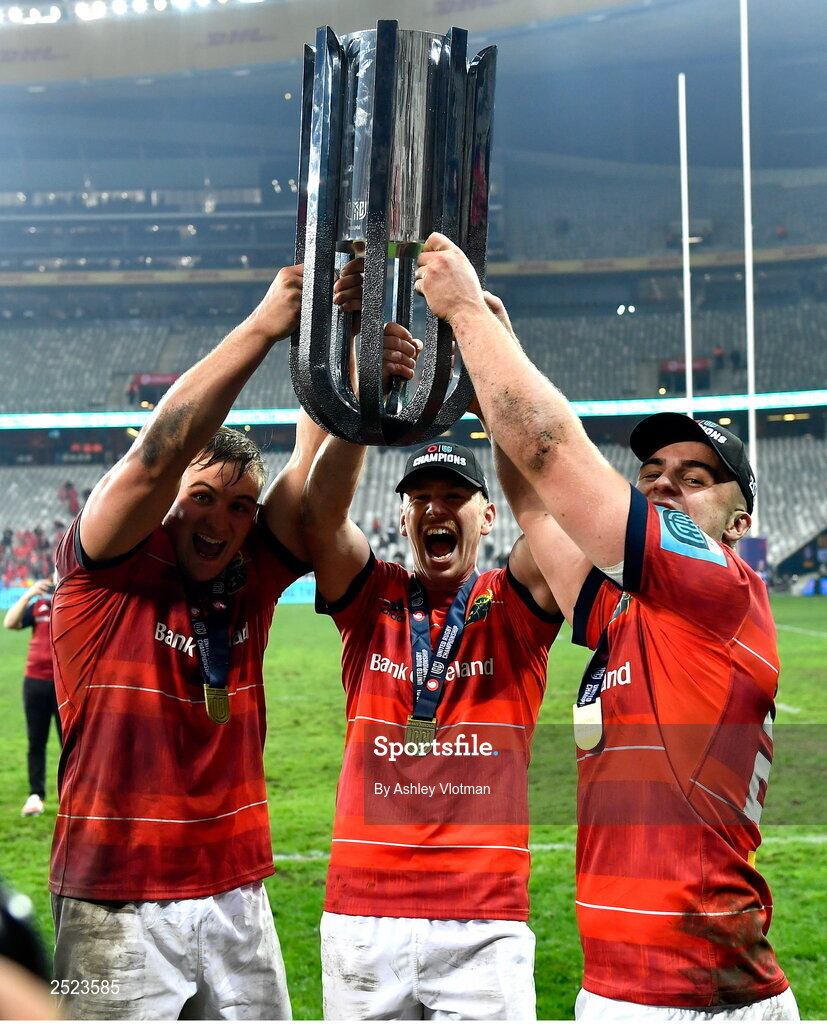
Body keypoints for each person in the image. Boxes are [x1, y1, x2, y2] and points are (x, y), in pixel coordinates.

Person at [414, 232, 798, 1020]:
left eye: (695, 479)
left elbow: (549, 449)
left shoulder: (716, 584)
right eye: (650, 473)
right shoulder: (633, 611)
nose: (662, 486)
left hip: (696, 993)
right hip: (630, 985)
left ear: (738, 523)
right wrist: (498, 346)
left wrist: (461, 313)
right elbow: (535, 501)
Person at [47, 262, 365, 1021]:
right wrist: (264, 325)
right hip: (110, 899)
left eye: (239, 506)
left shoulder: (246, 579)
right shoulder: (104, 566)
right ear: (170, 503)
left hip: (234, 895)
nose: (220, 521)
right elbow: (156, 453)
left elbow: (311, 482)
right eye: (201, 498)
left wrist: (337, 346)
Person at [301, 295, 563, 1019]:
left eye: (455, 495)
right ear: (403, 516)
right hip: (362, 913)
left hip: (483, 919)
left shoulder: (514, 606)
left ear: (487, 515)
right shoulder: (371, 597)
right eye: (420, 498)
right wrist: (365, 407)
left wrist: (494, 376)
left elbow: (549, 499)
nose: (435, 508)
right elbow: (317, 517)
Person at [3, 575, 61, 817]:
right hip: (35, 681)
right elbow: (10, 623)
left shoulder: (74, 601)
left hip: (64, 683)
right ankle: (36, 795)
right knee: (35, 741)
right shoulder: (37, 606)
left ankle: (73, 795)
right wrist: (29, 595)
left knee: (70, 744)